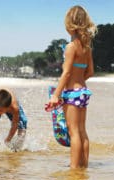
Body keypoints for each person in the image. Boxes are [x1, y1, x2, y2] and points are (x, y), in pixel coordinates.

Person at [47, 5, 97, 169]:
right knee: (82, 131)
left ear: (70, 25)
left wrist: (56, 95)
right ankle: (84, 165)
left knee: (73, 131)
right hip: (83, 92)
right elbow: (90, 71)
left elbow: (66, 73)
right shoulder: (86, 47)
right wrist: (79, 80)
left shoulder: (71, 47)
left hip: (72, 93)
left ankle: (75, 169)